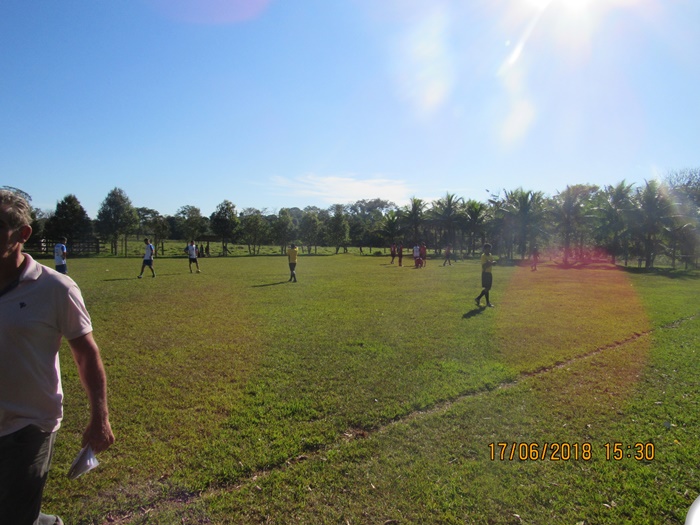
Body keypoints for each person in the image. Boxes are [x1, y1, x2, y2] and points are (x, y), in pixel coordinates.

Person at [0, 190, 114, 525]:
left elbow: (86, 355)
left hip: (29, 424)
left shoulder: (56, 288)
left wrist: (100, 417)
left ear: (23, 234)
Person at [475, 243, 496, 308]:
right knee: (487, 288)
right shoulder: (483, 256)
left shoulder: (490, 255)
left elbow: (492, 262)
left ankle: (478, 299)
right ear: (484, 249)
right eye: (487, 249)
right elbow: (484, 266)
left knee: (487, 288)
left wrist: (493, 263)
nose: (488, 250)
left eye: (489, 249)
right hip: (485, 273)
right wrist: (490, 263)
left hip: (489, 273)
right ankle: (487, 302)